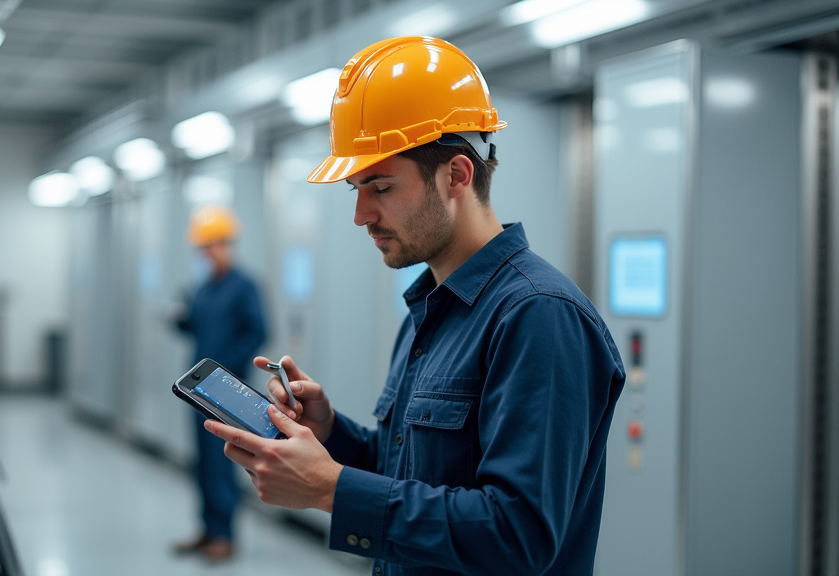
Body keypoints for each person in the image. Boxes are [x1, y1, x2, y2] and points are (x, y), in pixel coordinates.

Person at [203, 36, 625, 575]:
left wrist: (332, 490)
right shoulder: (433, 307)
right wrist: (333, 435)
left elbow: (519, 535)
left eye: (379, 186)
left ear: (457, 175)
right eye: (356, 188)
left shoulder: (538, 316)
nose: (361, 214)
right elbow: (413, 473)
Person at [171, 205, 268, 561]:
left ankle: (225, 534)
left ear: (226, 245)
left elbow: (258, 331)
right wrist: (179, 318)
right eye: (202, 248)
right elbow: (193, 327)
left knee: (221, 460)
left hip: (225, 393)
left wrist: (225, 372)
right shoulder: (202, 289)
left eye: (211, 247)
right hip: (196, 392)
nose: (206, 254)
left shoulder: (244, 286)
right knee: (202, 462)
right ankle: (208, 527)